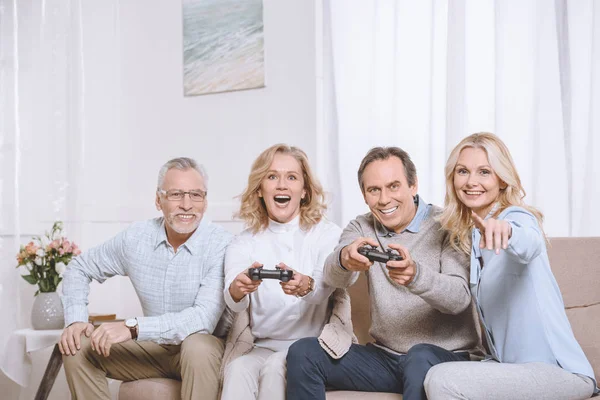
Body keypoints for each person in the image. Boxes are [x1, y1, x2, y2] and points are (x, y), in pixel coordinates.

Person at [286, 146, 483, 400]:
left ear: (413, 186)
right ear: (364, 195)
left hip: (446, 357)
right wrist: (345, 259)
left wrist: (416, 276)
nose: (384, 199)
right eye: (374, 190)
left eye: (393, 186)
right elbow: (333, 276)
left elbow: (459, 299)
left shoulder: (447, 224)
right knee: (304, 352)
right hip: (386, 358)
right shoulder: (362, 226)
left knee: (419, 356)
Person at [424, 132, 598, 399]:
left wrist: (507, 232)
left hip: (560, 372)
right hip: (513, 370)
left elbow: (529, 242)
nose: (471, 182)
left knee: (443, 380)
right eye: (463, 171)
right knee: (433, 370)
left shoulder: (515, 218)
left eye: (484, 172)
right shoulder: (473, 236)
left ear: (502, 179)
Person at [59, 157, 233, 400]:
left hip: (205, 352)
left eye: (196, 195)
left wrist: (134, 327)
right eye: (176, 194)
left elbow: (202, 319)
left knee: (197, 346)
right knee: (76, 347)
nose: (186, 204)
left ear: (205, 202)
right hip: (154, 349)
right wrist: (76, 320)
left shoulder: (221, 244)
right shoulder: (136, 238)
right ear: (158, 200)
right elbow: (79, 267)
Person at [220, 144, 342, 400]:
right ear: (260, 190)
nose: (282, 185)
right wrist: (238, 288)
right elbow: (233, 297)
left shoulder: (327, 234)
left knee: (276, 369)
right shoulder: (243, 242)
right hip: (261, 347)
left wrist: (305, 285)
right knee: (237, 368)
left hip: (310, 349)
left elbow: (325, 285)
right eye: (272, 176)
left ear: (305, 191)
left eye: (292, 177)